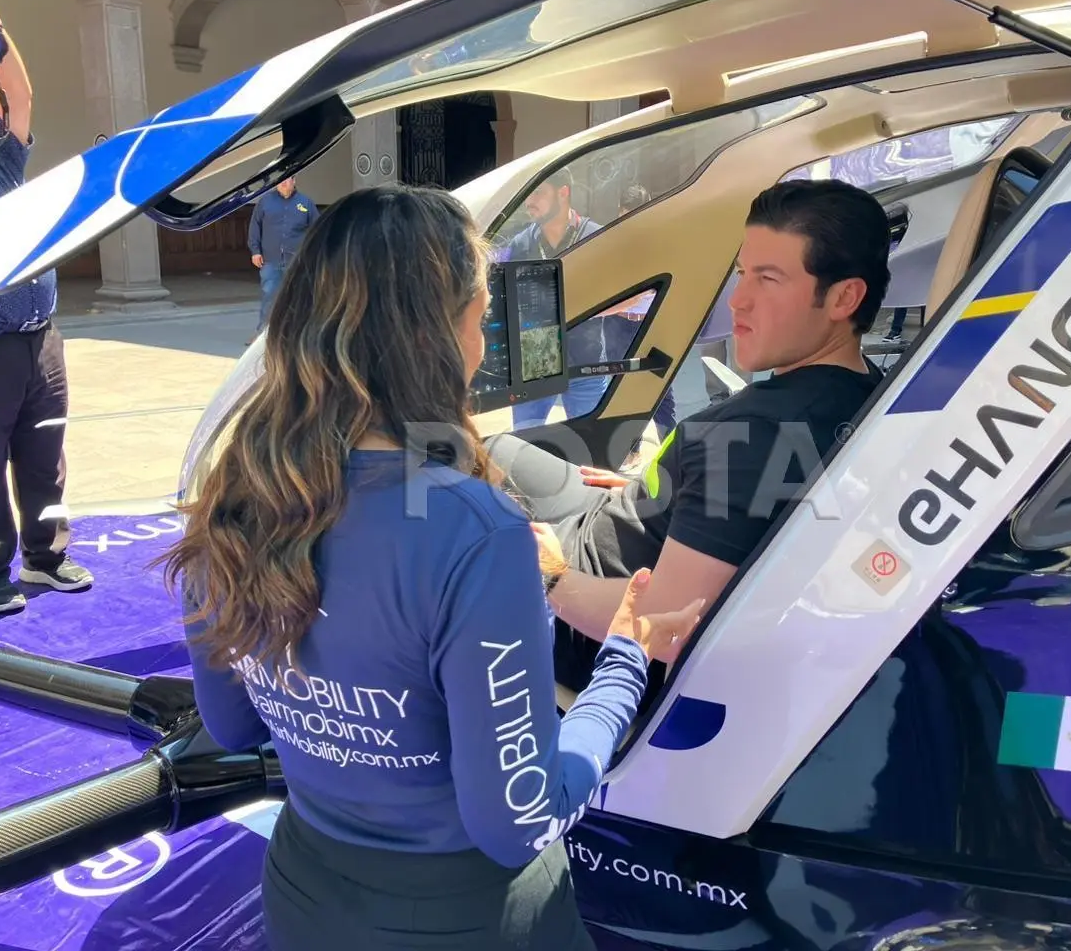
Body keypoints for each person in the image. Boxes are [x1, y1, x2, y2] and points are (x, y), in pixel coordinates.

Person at [158, 185, 703, 950]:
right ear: (434, 336)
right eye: (480, 316)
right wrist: (624, 663)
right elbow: (519, 821)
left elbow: (232, 720)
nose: (483, 343)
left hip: (306, 896)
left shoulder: (235, 490)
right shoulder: (477, 533)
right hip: (471, 917)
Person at [486, 179, 891, 692]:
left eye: (768, 279)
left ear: (843, 298)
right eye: (742, 274)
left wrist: (547, 576)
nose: (738, 301)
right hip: (632, 520)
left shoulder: (754, 439)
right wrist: (674, 491)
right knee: (495, 451)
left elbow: (664, 628)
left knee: (452, 481)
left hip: (587, 614)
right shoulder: (865, 393)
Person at [0, 6, 93, 612]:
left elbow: (21, 93)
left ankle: (45, 557)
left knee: (44, 452)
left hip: (39, 332)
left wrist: (0, 38)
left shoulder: (2, 153)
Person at [497, 168, 609, 429]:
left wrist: (580, 308)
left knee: (592, 451)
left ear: (563, 193)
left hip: (586, 363)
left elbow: (633, 295)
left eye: (538, 192)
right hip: (534, 364)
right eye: (528, 193)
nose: (529, 201)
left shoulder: (596, 237)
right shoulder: (520, 244)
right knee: (525, 449)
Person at [600, 185, 677, 468]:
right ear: (619, 212)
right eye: (626, 215)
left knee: (662, 392)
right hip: (618, 327)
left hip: (652, 323)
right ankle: (629, 452)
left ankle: (671, 455)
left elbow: (651, 290)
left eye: (637, 215)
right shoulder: (610, 244)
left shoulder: (660, 241)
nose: (631, 222)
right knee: (622, 391)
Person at [247, 175, 318, 343]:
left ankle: (296, 335)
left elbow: (317, 228)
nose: (284, 183)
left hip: (296, 261)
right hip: (270, 260)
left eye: (288, 180)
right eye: (281, 180)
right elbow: (255, 227)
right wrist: (255, 251)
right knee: (269, 295)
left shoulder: (305, 203)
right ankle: (263, 335)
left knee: (297, 297)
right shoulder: (265, 202)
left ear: (295, 181)